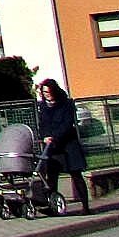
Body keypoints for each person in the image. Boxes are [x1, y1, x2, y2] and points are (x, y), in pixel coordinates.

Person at [36, 78, 90, 214]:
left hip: (68, 145)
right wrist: (45, 136)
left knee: (76, 174)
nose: (47, 94)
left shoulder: (66, 104)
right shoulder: (43, 106)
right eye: (44, 92)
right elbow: (42, 125)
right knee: (52, 177)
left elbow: (67, 124)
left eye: (49, 91)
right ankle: (53, 207)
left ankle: (85, 207)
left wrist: (56, 137)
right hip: (52, 147)